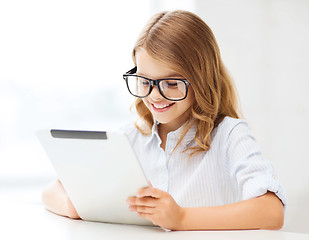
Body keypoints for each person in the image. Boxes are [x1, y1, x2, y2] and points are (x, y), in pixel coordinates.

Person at [42, 10, 286, 230]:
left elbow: (271, 212)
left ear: (201, 79)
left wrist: (180, 218)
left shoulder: (230, 135)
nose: (155, 95)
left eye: (171, 83)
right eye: (145, 82)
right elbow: (52, 190)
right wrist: (74, 207)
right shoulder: (130, 138)